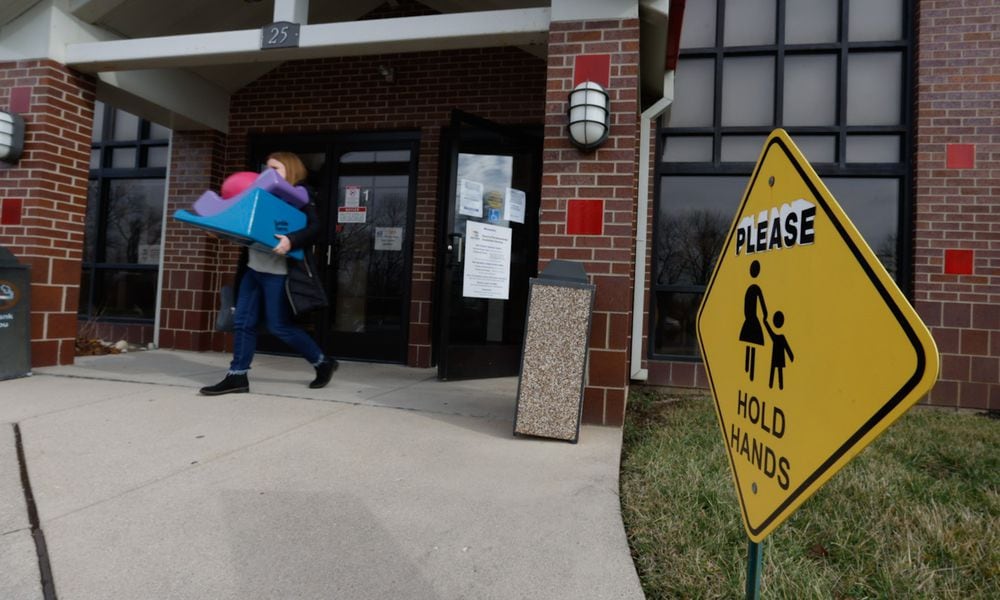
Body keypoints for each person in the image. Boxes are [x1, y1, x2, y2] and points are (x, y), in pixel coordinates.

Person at [200, 152, 337, 395]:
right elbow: (241, 224)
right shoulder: (256, 195)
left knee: (279, 326)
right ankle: (237, 376)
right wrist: (217, 228)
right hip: (253, 269)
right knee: (243, 323)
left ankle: (322, 362)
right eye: (266, 168)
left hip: (279, 272)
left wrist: (291, 240)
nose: (268, 172)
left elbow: (316, 227)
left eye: (275, 168)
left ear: (291, 171)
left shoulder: (301, 195)